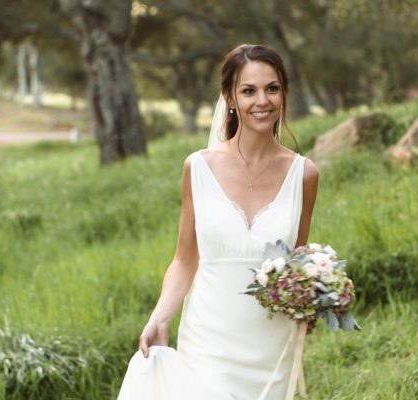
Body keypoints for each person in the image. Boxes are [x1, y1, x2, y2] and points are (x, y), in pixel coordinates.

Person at [117, 44, 319, 400]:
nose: (262, 100)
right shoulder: (198, 167)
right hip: (209, 337)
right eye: (249, 90)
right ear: (229, 97)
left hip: (271, 343)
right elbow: (184, 259)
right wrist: (160, 317)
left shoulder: (304, 174)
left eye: (272, 88)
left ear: (284, 93)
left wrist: (316, 294)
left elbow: (296, 262)